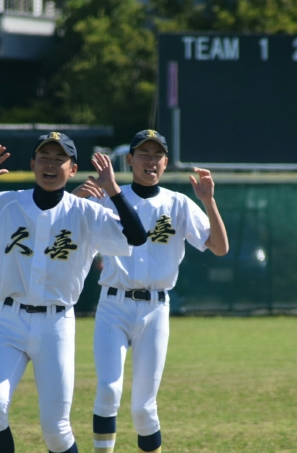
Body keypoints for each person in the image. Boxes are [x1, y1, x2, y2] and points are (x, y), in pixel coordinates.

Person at [0, 132, 148, 453]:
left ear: (72, 168)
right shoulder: (8, 203)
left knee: (56, 430)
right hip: (9, 321)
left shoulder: (85, 212)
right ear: (32, 164)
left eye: (59, 158)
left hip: (56, 325)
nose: (50, 164)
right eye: (44, 157)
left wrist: (114, 190)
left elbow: (136, 236)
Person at [73, 129, 229, 453]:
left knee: (144, 408)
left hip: (156, 309)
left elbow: (219, 247)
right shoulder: (108, 195)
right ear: (130, 160)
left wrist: (209, 201)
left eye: (157, 155)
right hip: (114, 305)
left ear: (166, 163)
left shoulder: (178, 203)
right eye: (143, 154)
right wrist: (76, 195)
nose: (151, 160)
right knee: (108, 390)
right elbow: (64, 226)